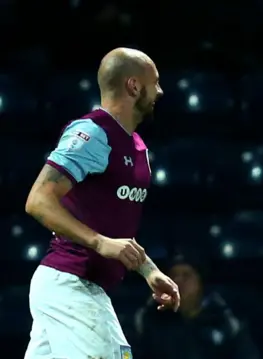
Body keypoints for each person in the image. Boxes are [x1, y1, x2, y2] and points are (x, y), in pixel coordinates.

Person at [24, 47, 180, 359]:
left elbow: (114, 227)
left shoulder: (137, 146)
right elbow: (38, 200)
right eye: (156, 82)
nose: (160, 91)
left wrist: (149, 270)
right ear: (134, 86)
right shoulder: (92, 133)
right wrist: (98, 242)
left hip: (79, 287)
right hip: (71, 284)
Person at [135, 254, 261, 359]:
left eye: (186, 275)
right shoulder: (150, 319)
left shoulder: (225, 320)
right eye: (173, 276)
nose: (177, 281)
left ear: (200, 283)